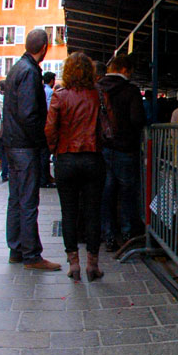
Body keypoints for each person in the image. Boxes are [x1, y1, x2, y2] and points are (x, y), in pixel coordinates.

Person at [1, 28, 61, 270]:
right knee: (27, 200)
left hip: (13, 144)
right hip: (25, 146)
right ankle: (31, 255)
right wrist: (42, 140)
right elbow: (29, 114)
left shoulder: (17, 68)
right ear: (44, 48)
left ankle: (16, 249)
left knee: (16, 198)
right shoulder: (29, 72)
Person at [45, 52, 106, 282]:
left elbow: (50, 129)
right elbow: (109, 126)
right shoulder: (98, 95)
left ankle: (74, 265)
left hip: (66, 159)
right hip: (93, 158)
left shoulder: (59, 96)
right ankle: (93, 265)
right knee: (93, 212)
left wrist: (56, 149)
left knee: (68, 213)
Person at [98, 54, 146, 251]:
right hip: (127, 149)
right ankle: (127, 234)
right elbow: (137, 119)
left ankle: (108, 236)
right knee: (127, 193)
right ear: (126, 70)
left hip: (103, 148)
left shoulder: (98, 88)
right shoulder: (131, 90)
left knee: (106, 193)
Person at [40, 70, 57, 187]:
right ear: (52, 81)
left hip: (40, 125)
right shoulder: (50, 92)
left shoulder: (41, 90)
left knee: (43, 155)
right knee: (45, 155)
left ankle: (44, 177)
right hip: (46, 126)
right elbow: (50, 110)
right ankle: (44, 179)